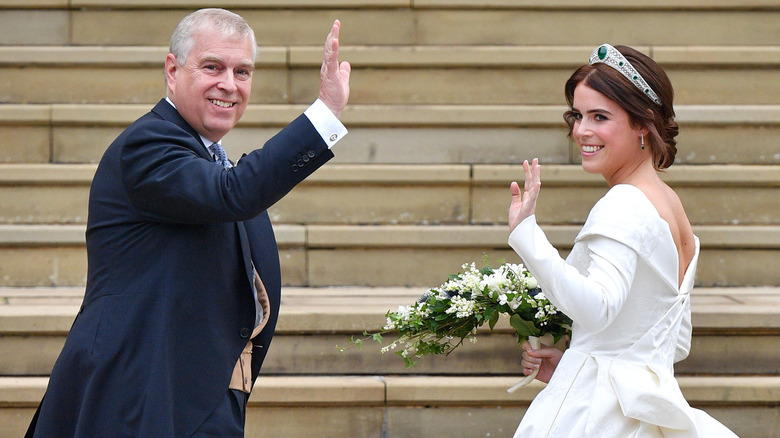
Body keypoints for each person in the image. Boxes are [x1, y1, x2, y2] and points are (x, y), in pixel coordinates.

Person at [25, 8, 350, 438]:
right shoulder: (149, 143)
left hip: (198, 394)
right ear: (172, 70)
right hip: (136, 396)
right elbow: (235, 193)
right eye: (212, 67)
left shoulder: (209, 158)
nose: (229, 85)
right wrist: (324, 115)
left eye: (242, 71)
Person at [507, 44, 738, 437]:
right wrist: (576, 365)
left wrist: (525, 233)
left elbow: (598, 310)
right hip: (647, 410)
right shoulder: (669, 204)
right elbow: (674, 341)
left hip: (597, 418)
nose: (581, 131)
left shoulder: (625, 202)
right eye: (578, 115)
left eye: (600, 116)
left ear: (642, 123)